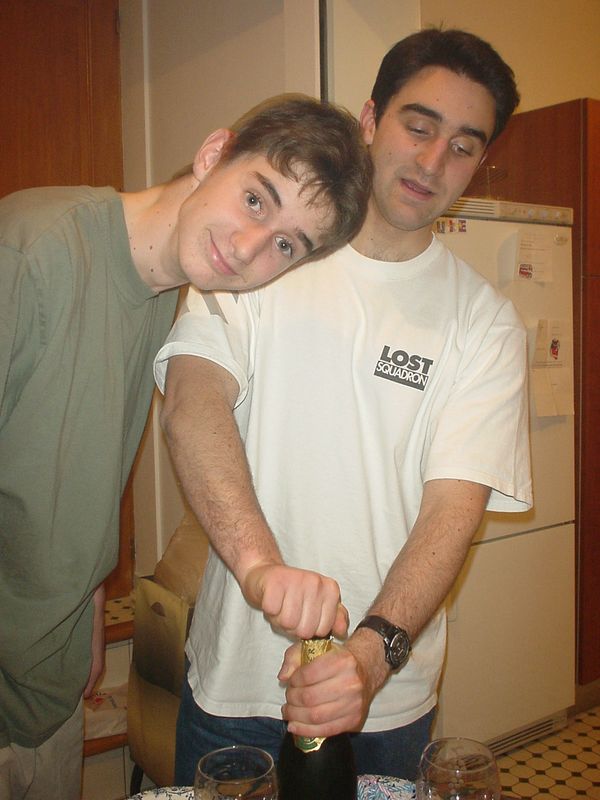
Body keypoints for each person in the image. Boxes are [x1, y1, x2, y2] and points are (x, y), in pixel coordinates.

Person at [155, 28, 533, 783]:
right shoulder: (267, 250)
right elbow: (193, 405)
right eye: (418, 127)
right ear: (369, 120)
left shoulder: (485, 322)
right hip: (233, 682)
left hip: (385, 701)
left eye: (463, 146)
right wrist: (262, 569)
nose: (433, 162)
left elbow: (452, 510)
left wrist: (370, 654)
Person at [0, 94, 371, 800]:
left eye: (288, 244)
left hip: (47, 688)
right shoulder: (31, 252)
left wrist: (86, 602)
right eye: (257, 199)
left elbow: (67, 466)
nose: (250, 248)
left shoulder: (160, 294)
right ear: (212, 154)